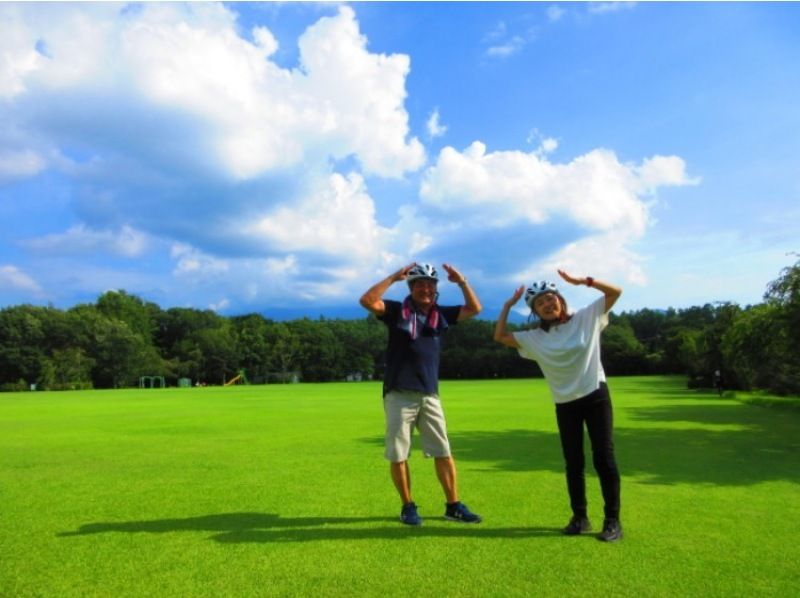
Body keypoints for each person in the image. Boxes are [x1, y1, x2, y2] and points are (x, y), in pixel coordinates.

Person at [493, 269, 624, 542]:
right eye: (540, 303)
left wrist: (583, 281)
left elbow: (615, 292)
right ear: (535, 311)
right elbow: (500, 336)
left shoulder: (586, 318)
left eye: (551, 299)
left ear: (561, 301)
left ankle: (612, 521)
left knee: (604, 457)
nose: (547, 304)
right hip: (565, 403)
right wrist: (507, 305)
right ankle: (580, 518)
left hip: (595, 394)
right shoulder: (534, 338)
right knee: (573, 462)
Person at [360, 262, 483, 526]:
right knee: (399, 454)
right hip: (399, 394)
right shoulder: (396, 310)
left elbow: (474, 309)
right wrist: (393, 277)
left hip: (429, 394)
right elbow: (368, 300)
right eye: (419, 284)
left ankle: (453, 505)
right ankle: (408, 506)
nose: (426, 289)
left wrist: (462, 282)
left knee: (443, 451)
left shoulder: (442, 314)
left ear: (436, 288)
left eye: (430, 284)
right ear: (411, 287)